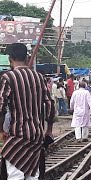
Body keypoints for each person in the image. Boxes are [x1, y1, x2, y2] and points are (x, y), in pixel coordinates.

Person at [0, 43, 55, 179]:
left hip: (17, 134)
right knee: (32, 174)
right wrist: (49, 129)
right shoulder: (39, 77)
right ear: (27, 57)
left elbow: (1, 106)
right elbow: (50, 104)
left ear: (10, 59)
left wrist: (1, 130)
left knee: (14, 173)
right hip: (36, 134)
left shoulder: (8, 78)